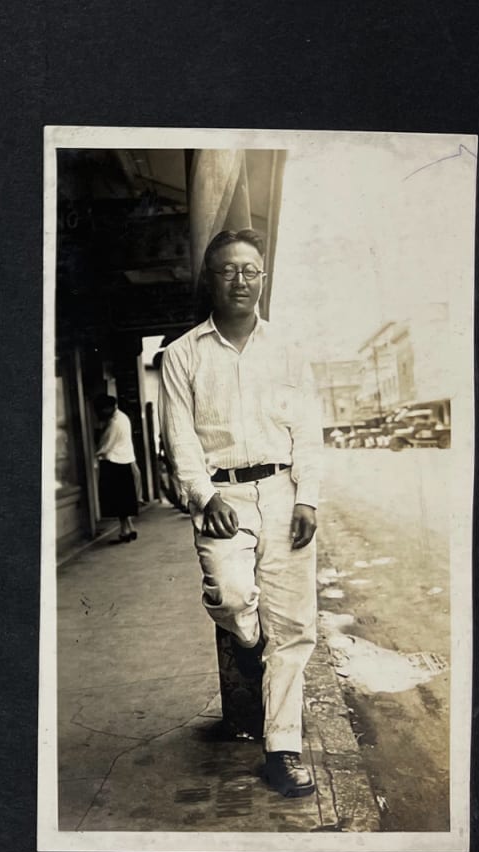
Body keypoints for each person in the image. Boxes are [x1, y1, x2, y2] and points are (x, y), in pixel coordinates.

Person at [160, 229, 321, 797]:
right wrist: (205, 496)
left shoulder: (290, 351)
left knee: (295, 629)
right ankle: (249, 644)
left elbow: (308, 432)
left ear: (263, 279)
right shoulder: (181, 356)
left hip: (282, 493)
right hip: (222, 498)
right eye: (228, 270)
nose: (240, 281)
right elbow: (179, 439)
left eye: (250, 271)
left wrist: (307, 497)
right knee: (229, 596)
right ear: (210, 278)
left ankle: (283, 750)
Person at [92, 394, 139, 542]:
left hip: (114, 462)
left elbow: (105, 446)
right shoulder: (123, 417)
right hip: (125, 461)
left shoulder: (114, 423)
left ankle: (125, 531)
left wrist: (95, 455)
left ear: (109, 408)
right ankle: (128, 528)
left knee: (118, 500)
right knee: (124, 499)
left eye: (102, 409)